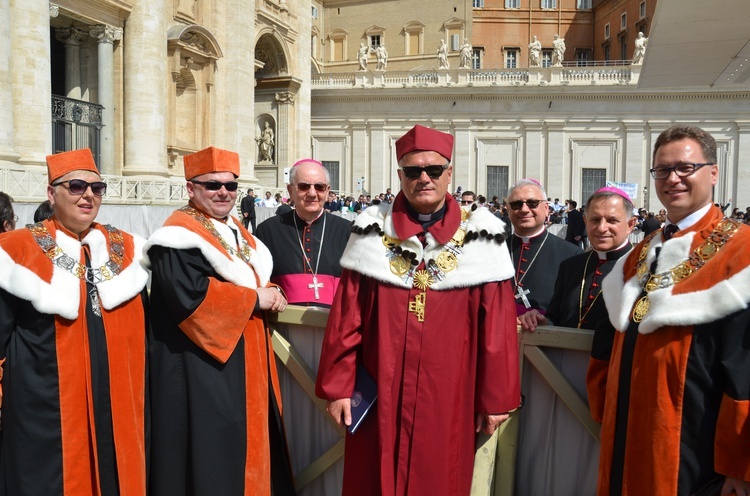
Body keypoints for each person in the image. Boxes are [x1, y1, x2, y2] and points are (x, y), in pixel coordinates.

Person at [316, 124, 521, 495]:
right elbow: (347, 317)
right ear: (400, 176)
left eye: (433, 170)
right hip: (381, 388)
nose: (423, 178)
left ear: (449, 174)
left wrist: (496, 399)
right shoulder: (372, 232)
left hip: (449, 395)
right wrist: (338, 387)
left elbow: (498, 330)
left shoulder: (483, 239)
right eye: (413, 171)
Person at [590, 125, 750, 495]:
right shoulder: (641, 251)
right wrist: (604, 412)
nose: (672, 179)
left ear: (713, 172)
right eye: (662, 170)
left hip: (695, 446)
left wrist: (739, 465)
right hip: (625, 438)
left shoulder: (740, 252)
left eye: (684, 168)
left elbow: (744, 369)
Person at [145, 146, 296, 495]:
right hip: (204, 368)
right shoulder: (176, 236)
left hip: (244, 364)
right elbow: (191, 299)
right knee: (215, 456)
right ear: (190, 188)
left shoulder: (233, 229)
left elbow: (248, 277)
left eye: (230, 185)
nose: (223, 192)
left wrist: (268, 290)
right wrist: (255, 298)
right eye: (212, 185)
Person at [0, 148, 149, 495]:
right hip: (44, 411)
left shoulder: (128, 249)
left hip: (116, 407)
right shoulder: (15, 251)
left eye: (97, 188)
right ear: (51, 194)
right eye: (76, 186)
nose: (88, 196)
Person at [516, 186, 635, 495]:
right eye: (594, 220)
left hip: (610, 384)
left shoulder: (639, 269)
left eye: (612, 220)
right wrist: (540, 321)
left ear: (631, 225)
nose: (601, 228)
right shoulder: (572, 266)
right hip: (560, 380)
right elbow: (556, 314)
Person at [256, 158, 352, 307]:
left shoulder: (348, 231)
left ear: (327, 191)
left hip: (334, 325)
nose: (312, 193)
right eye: (304, 186)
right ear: (290, 191)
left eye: (319, 187)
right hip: (282, 325)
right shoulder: (267, 231)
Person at [505, 179, 582, 316]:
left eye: (532, 203)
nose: (524, 209)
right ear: (508, 209)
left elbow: (571, 313)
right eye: (516, 204)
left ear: (546, 209)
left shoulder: (572, 255)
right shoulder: (492, 250)